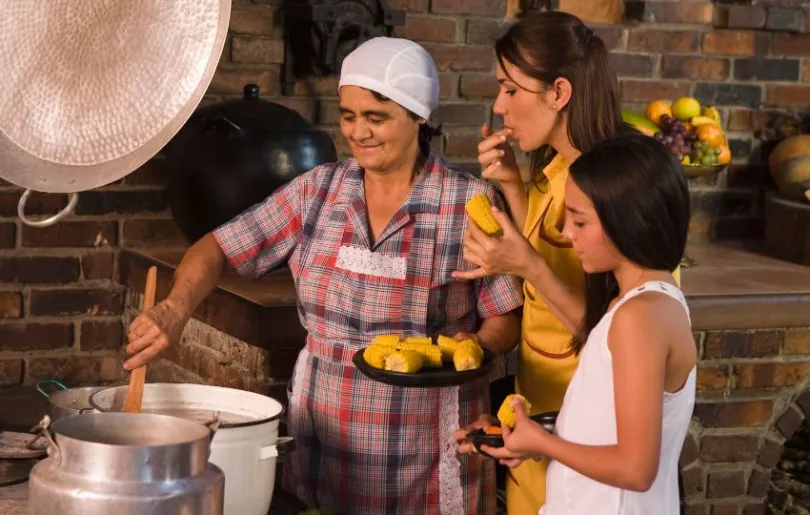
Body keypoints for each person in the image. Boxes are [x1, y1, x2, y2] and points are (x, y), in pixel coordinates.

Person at [124, 36, 523, 515]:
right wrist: (174, 309)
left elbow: (505, 314)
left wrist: (476, 350)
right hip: (323, 439)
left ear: (420, 116)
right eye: (348, 115)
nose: (359, 133)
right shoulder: (318, 191)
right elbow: (218, 247)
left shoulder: (466, 204)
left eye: (376, 118)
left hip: (428, 453)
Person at [452, 10, 634, 514]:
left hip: (593, 429)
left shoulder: (619, 186)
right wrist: (511, 183)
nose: (498, 104)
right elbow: (544, 252)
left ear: (558, 93)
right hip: (535, 411)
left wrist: (526, 264)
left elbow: (617, 339)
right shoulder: (550, 171)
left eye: (512, 90)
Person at [467, 132, 695, 515]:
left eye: (579, 220)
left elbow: (636, 469)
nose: (567, 232)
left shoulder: (638, 317)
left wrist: (543, 446)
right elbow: (608, 426)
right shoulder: (647, 302)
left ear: (628, 222)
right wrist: (531, 435)